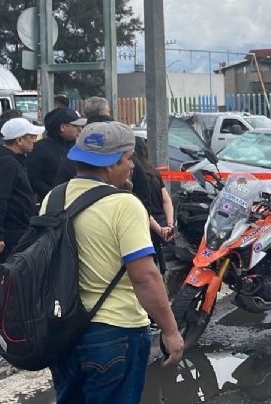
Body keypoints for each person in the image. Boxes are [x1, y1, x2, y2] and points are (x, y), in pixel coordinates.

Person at [48, 121, 183, 402]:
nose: (132, 166)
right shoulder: (124, 204)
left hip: (62, 331)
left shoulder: (54, 197)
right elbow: (145, 276)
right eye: (128, 158)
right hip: (114, 332)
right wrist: (170, 331)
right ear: (110, 165)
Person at [0, 118, 44, 273]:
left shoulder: (13, 161)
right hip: (11, 233)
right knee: (9, 281)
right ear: (19, 140)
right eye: (31, 136)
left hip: (18, 229)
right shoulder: (6, 163)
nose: (35, 141)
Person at [26, 107, 87, 202]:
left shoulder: (79, 147)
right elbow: (33, 179)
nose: (80, 129)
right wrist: (53, 194)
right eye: (75, 126)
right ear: (63, 127)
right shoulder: (40, 148)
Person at [133, 137, 175, 273]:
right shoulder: (154, 173)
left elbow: (142, 210)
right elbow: (166, 200)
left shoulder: (135, 177)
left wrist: (159, 229)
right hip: (161, 225)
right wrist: (169, 225)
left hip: (147, 227)